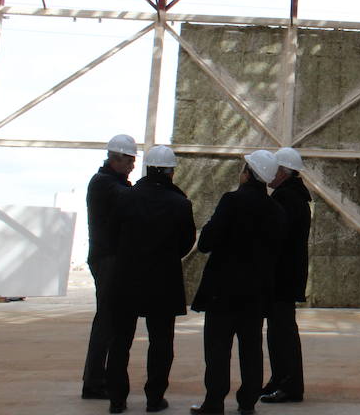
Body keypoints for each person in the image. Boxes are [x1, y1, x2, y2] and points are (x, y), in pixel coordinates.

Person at [191, 150, 285, 415]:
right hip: (256, 293)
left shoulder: (232, 201)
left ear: (247, 173)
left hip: (224, 290)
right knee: (251, 348)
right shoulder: (276, 211)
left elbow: (207, 241)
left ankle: (214, 402)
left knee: (218, 348)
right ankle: (247, 402)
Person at [105, 146, 196, 414]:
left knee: (120, 340)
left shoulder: (125, 197)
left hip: (126, 278)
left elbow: (111, 236)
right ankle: (155, 398)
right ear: (170, 171)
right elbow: (186, 242)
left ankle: (116, 400)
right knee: (161, 342)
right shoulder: (180, 203)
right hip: (163, 280)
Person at [82, 134, 138, 400]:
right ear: (115, 158)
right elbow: (130, 200)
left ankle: (97, 377)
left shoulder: (112, 182)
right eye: (129, 160)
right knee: (106, 320)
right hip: (108, 259)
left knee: (108, 319)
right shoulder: (104, 184)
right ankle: (93, 381)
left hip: (109, 257)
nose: (132, 166)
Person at [261, 147, 311, 404]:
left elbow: (276, 238)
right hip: (286, 275)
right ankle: (279, 379)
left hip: (282, 276)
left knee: (282, 331)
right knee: (278, 330)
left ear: (283, 172)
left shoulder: (286, 199)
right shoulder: (290, 196)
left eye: (274, 168)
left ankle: (290, 385)